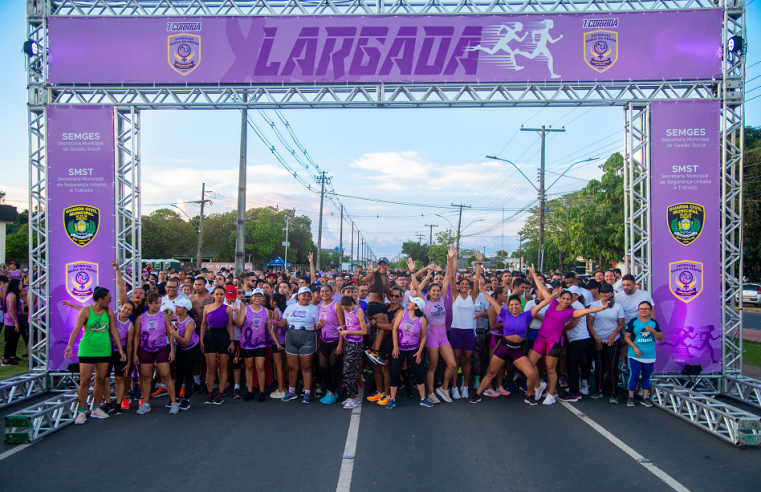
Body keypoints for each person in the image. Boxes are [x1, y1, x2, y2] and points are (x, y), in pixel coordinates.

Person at [470, 268, 552, 405]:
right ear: (509, 305)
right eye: (512, 305)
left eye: (516, 305)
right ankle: (477, 394)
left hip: (517, 350)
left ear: (521, 306)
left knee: (531, 374)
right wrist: (482, 289)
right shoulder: (504, 313)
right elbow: (491, 299)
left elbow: (546, 300)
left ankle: (529, 396)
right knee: (491, 372)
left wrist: (533, 276)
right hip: (503, 347)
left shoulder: (527, 314)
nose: (514, 307)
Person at [528, 276, 610, 405]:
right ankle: (539, 385)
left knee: (551, 368)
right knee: (530, 363)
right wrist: (533, 273)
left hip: (554, 341)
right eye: (564, 298)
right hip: (540, 338)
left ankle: (551, 395)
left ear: (572, 300)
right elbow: (542, 289)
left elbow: (588, 310)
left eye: (568, 299)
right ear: (560, 298)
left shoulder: (571, 312)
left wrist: (603, 307)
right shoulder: (553, 303)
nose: (565, 301)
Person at [64, 287, 126, 424]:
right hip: (87, 349)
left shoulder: (109, 312)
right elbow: (76, 330)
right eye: (109, 298)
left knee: (101, 379)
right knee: (84, 380)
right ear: (100, 299)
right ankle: (81, 411)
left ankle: (96, 408)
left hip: (104, 349)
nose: (110, 300)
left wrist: (120, 349)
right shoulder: (86, 311)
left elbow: (114, 331)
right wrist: (69, 346)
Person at [410, 248, 456, 403]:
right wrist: (412, 272)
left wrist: (449, 260)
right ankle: (430, 393)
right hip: (432, 336)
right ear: (428, 292)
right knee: (433, 366)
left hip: (443, 335)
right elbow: (416, 287)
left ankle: (443, 388)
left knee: (452, 364)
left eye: (438, 290)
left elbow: (448, 277)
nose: (437, 292)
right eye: (434, 291)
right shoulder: (424, 302)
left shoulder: (442, 299)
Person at [133, 292, 178, 414]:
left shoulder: (164, 316)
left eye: (159, 303)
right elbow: (137, 336)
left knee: (166, 375)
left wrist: (172, 352)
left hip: (161, 348)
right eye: (156, 303)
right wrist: (135, 354)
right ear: (149, 304)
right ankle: (146, 403)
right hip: (145, 349)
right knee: (146, 377)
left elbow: (170, 334)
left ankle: (174, 402)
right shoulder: (140, 318)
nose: (158, 305)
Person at [384, 296, 432, 409]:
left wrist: (420, 351)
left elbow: (424, 337)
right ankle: (392, 399)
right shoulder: (402, 313)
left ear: (416, 307)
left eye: (411, 302)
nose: (409, 303)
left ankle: (423, 398)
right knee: (395, 372)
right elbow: (394, 329)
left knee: (418, 373)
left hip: (414, 349)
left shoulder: (422, 320)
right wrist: (395, 346)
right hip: (399, 348)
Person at [448, 250, 483, 400]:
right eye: (461, 283)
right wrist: (452, 259)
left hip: (469, 331)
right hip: (456, 330)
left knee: (468, 359)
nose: (463, 285)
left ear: (468, 286)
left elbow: (476, 281)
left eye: (466, 284)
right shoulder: (455, 295)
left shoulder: (472, 296)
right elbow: (451, 276)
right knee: (456, 359)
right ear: (458, 285)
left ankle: (465, 386)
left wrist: (479, 263)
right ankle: (454, 387)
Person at [281, 286, 322, 403]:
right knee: (292, 367)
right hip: (291, 339)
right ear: (298, 296)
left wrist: (319, 326)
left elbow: (316, 326)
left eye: (308, 295)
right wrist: (274, 322)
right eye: (303, 295)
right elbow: (283, 323)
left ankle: (307, 393)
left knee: (306, 367)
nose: (306, 297)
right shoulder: (290, 307)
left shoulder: (314, 309)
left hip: (307, 339)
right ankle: (291, 391)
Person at [589, 282, 625, 403]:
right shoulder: (595, 305)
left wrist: (614, 334)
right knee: (599, 366)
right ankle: (598, 389)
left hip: (613, 340)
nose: (604, 294)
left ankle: (614, 393)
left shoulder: (618, 307)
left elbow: (621, 325)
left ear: (612, 293)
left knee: (613, 366)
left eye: (607, 292)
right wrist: (595, 337)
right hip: (598, 340)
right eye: (602, 292)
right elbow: (589, 323)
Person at [233, 288, 271, 402]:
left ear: (262, 298)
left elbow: (269, 328)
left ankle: (261, 391)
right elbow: (239, 323)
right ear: (252, 298)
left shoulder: (266, 311)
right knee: (249, 367)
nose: (257, 298)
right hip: (247, 343)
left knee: (260, 367)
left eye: (260, 296)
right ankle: (249, 391)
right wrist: (235, 314)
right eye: (255, 296)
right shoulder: (245, 309)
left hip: (261, 343)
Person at [199, 286, 235, 405]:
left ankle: (221, 392)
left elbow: (230, 326)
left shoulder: (227, 308)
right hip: (210, 337)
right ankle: (210, 392)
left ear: (224, 295)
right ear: (213, 295)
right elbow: (204, 324)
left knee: (223, 366)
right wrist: (201, 340)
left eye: (221, 294)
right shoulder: (207, 307)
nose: (219, 296)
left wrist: (232, 341)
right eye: (217, 294)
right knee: (210, 367)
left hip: (223, 337)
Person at [623, 301, 662, 407]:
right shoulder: (633, 322)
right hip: (635, 354)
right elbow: (626, 337)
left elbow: (660, 337)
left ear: (650, 311)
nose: (643, 311)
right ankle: (630, 397)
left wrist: (653, 331)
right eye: (641, 309)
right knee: (634, 375)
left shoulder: (653, 323)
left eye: (645, 309)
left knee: (646, 376)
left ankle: (645, 398)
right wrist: (635, 347)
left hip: (649, 354)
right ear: (638, 310)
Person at [356, 258, 392, 365]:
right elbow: (360, 282)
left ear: (387, 266)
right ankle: (374, 351)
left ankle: (372, 350)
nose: (382, 266)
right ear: (377, 266)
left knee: (385, 329)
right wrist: (357, 277)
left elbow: (389, 296)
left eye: (384, 264)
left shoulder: (387, 280)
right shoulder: (372, 275)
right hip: (373, 306)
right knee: (384, 326)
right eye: (380, 264)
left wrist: (398, 301)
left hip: (381, 306)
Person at [316, 284, 346, 405]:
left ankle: (333, 392)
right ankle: (329, 390)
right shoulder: (319, 306)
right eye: (322, 291)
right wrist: (318, 327)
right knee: (322, 366)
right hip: (323, 340)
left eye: (327, 291)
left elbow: (342, 326)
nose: (324, 293)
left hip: (335, 340)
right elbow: (318, 326)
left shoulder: (336, 305)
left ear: (332, 292)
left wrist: (340, 344)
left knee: (333, 366)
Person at [337, 295, 368, 409]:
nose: (347, 311)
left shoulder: (358, 311)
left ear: (352, 304)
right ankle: (352, 396)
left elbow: (364, 331)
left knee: (350, 371)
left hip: (355, 343)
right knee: (347, 371)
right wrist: (343, 330)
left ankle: (354, 397)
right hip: (347, 342)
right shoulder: (347, 311)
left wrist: (347, 332)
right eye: (345, 309)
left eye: (348, 309)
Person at [171, 298, 201, 410]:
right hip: (180, 347)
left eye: (179, 307)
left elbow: (186, 341)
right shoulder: (174, 317)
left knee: (188, 373)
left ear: (186, 309)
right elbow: (171, 330)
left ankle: (187, 399)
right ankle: (175, 398)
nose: (176, 308)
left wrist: (176, 336)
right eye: (176, 306)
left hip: (191, 347)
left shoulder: (190, 322)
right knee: (178, 373)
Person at [269, 293, 288, 399]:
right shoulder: (283, 311)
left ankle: (281, 389)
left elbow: (273, 330)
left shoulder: (276, 312)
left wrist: (276, 343)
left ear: (274, 302)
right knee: (283, 365)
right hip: (284, 340)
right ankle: (283, 387)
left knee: (279, 365)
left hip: (278, 342)